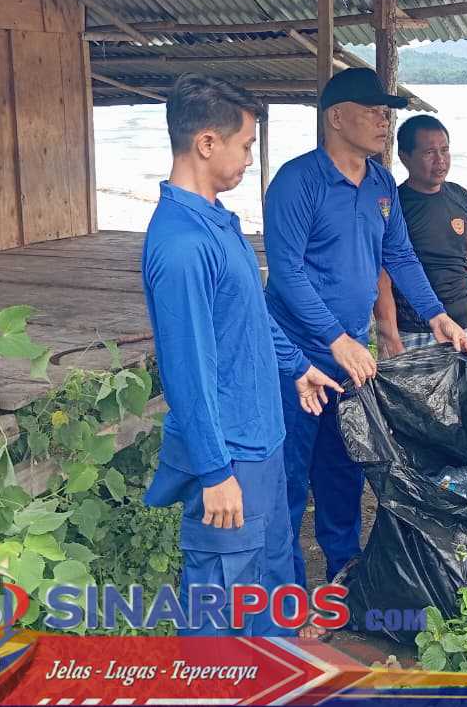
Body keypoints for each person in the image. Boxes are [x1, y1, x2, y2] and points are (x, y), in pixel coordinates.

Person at [140, 74, 340, 636]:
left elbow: (250, 317)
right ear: (207, 143)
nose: (251, 159)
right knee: (222, 600)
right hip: (230, 453)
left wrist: (297, 367)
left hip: (264, 440)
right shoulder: (182, 245)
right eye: (246, 145)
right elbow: (187, 371)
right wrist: (213, 469)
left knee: (270, 580)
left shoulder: (219, 222)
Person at [263, 67, 467, 587]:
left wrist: (436, 314)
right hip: (297, 355)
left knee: (344, 465)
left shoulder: (380, 183)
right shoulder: (298, 181)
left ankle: (341, 569)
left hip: (351, 352)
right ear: (337, 117)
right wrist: (334, 340)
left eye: (388, 112)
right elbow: (285, 271)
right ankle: (286, 589)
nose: (385, 121)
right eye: (375, 111)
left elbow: (398, 254)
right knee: (288, 476)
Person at [373, 115, 467, 365]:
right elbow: (382, 276)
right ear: (405, 157)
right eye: (429, 152)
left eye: (445, 150)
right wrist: (390, 337)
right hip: (416, 335)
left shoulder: (460, 196)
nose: (440, 160)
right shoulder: (395, 207)